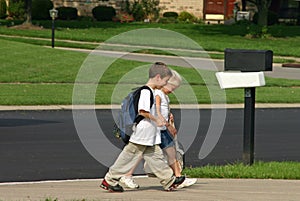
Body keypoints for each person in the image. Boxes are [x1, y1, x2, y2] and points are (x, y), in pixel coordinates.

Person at [100, 62, 185, 192]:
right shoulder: (146, 91)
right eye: (165, 81)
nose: (165, 84)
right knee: (128, 157)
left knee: (156, 157)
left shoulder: (150, 91)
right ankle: (110, 180)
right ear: (158, 77)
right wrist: (157, 119)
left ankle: (169, 180)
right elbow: (143, 111)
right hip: (143, 133)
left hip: (149, 134)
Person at [153, 70, 197, 189]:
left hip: (162, 130)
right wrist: (169, 126)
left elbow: (163, 110)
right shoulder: (158, 94)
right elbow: (157, 112)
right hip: (157, 130)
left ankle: (178, 177)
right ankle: (126, 174)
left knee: (171, 153)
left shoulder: (164, 96)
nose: (173, 90)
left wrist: (169, 115)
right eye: (172, 87)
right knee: (141, 153)